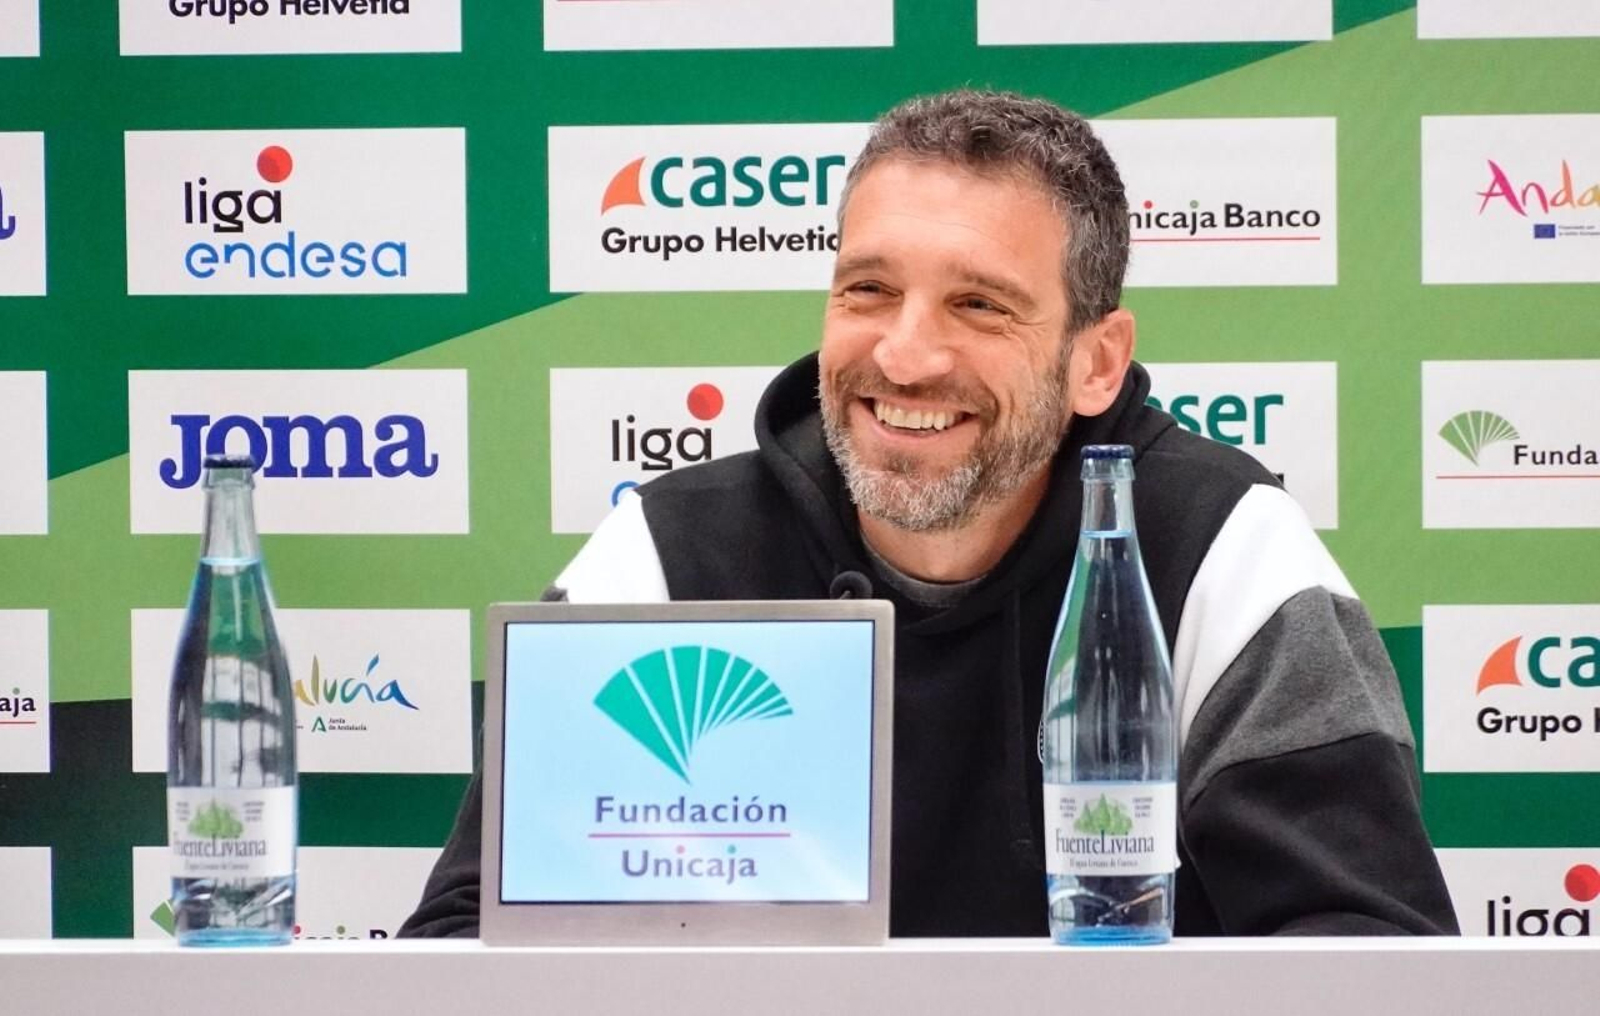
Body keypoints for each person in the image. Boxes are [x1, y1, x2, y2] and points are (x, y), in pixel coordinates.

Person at [400, 89, 1458, 938]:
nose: (903, 354)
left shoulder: (1222, 547)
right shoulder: (668, 554)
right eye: (866, 290)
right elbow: (467, 940)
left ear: (1096, 360)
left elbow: (1370, 951)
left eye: (978, 303)